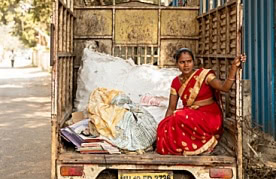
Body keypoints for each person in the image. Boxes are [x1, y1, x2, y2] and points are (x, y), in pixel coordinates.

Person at [156, 48, 246, 156]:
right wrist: (166, 123)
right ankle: (185, 148)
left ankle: (201, 146)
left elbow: (224, 87)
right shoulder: (176, 82)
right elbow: (171, 108)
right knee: (163, 125)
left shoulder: (204, 76)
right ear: (177, 64)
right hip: (190, 115)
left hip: (210, 116)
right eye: (182, 62)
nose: (186, 65)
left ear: (194, 62)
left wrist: (233, 68)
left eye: (189, 61)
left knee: (178, 116)